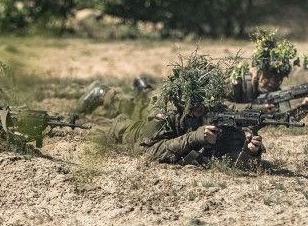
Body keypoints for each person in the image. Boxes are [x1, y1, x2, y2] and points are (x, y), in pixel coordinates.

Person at [107, 54, 263, 167]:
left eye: (206, 101)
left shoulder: (218, 112)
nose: (201, 108)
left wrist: (250, 151)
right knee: (132, 113)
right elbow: (147, 150)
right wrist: (193, 138)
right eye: (196, 101)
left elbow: (233, 157)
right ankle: (111, 94)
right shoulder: (169, 110)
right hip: (137, 131)